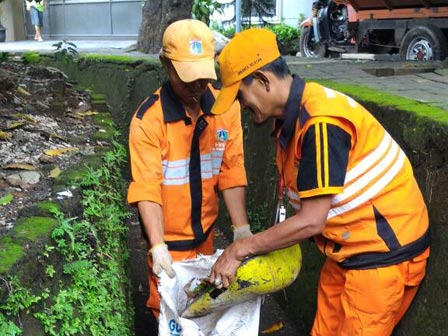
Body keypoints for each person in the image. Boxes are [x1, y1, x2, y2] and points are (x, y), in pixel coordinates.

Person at [209, 28, 430, 336]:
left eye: (240, 96)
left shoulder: (319, 123)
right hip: (347, 250)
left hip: (381, 259)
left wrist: (239, 249)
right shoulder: (293, 117)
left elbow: (311, 221)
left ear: (262, 81)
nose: (241, 107)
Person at [127, 19, 252, 319]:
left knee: (205, 307)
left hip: (206, 236)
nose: (196, 87)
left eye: (202, 77)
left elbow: (232, 171)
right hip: (168, 241)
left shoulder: (227, 109)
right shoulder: (148, 121)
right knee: (168, 313)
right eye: (187, 78)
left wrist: (241, 230)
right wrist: (157, 246)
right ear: (166, 65)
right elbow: (147, 188)